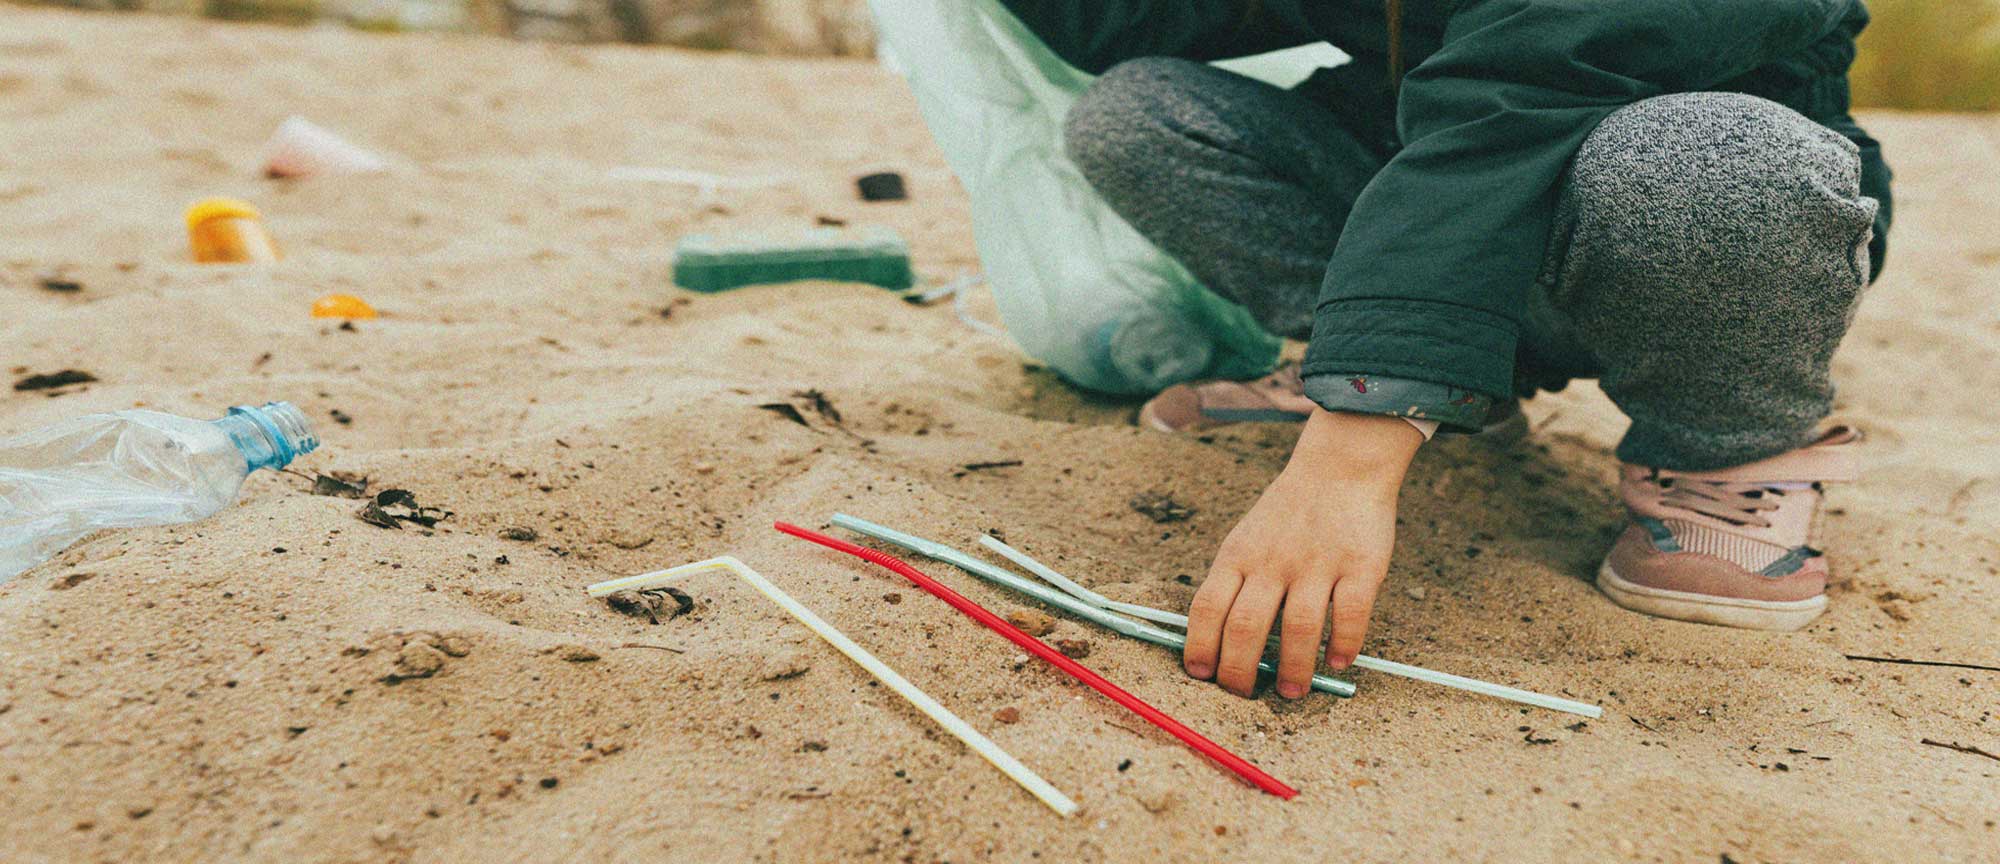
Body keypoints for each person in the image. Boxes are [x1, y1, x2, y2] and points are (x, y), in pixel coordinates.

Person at [999, 0, 1892, 700]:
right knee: (1139, 112)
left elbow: (1523, 76)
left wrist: (1352, 452)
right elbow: (1138, 19)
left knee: (1708, 158)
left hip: (1669, 213)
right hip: (1442, 175)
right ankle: (1469, 383)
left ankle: (1725, 445)